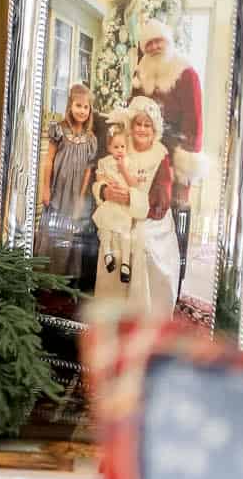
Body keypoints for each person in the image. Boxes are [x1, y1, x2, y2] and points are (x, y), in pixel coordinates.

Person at [92, 96, 179, 319]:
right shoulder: (121, 145)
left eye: (147, 124)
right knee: (113, 235)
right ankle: (110, 313)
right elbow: (101, 175)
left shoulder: (160, 156)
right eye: (138, 124)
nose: (141, 129)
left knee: (141, 242)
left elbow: (160, 203)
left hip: (150, 219)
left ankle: (143, 317)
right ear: (131, 125)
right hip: (117, 212)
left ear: (154, 128)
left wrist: (130, 199)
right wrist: (104, 191)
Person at [133, 16, 204, 286]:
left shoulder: (186, 73)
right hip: (147, 152)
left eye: (158, 41)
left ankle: (177, 276)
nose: (153, 47)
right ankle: (148, 271)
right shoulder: (142, 72)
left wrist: (185, 172)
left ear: (169, 41)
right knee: (149, 213)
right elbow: (133, 108)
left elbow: (195, 123)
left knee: (176, 214)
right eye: (148, 43)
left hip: (176, 157)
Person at [34, 82, 98, 281]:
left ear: (90, 110)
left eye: (86, 107)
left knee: (70, 236)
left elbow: (88, 169)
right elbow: (49, 161)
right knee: (52, 232)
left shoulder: (90, 139)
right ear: (70, 105)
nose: (82, 110)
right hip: (57, 191)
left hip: (75, 194)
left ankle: (64, 280)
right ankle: (43, 277)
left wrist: (81, 195)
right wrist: (45, 189)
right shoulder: (59, 130)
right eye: (78, 105)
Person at [90, 124, 144, 284]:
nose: (120, 150)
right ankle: (108, 254)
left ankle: (125, 264)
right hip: (110, 202)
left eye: (122, 147)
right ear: (109, 147)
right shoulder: (104, 162)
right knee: (105, 228)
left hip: (123, 205)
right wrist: (106, 183)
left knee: (124, 233)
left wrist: (123, 170)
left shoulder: (130, 163)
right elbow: (99, 179)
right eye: (116, 147)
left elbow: (134, 184)